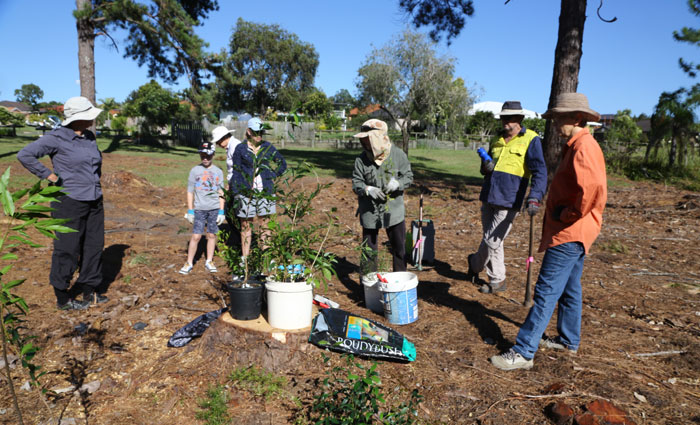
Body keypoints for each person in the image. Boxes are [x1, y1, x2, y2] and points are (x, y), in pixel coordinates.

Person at [490, 93, 607, 371]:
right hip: (575, 230)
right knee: (569, 287)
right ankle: (569, 340)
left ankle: (523, 351)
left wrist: (566, 214)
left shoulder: (584, 148)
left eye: (559, 118)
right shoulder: (577, 144)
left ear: (577, 118)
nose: (555, 124)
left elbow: (591, 191)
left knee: (545, 291)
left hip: (570, 231)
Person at [17, 96, 107, 310]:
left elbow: (95, 164)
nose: (91, 120)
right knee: (67, 248)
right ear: (75, 118)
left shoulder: (89, 137)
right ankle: (62, 297)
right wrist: (50, 176)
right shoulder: (56, 138)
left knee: (93, 246)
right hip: (68, 200)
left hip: (94, 198)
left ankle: (88, 290)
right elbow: (25, 155)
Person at [466, 101, 547, 294]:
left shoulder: (531, 139)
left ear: (519, 119)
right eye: (502, 117)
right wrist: (485, 168)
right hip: (489, 197)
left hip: (509, 200)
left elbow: (540, 171)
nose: (504, 121)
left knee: (491, 241)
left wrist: (534, 197)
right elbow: (485, 169)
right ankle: (498, 280)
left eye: (508, 118)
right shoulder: (496, 140)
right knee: (495, 241)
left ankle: (475, 264)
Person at [352, 119, 413, 272]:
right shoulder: (361, 160)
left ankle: (399, 283)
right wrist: (367, 189)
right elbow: (356, 183)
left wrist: (398, 183)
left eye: (367, 139)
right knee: (369, 251)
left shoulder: (398, 155)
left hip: (394, 211)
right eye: (362, 140)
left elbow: (408, 176)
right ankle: (368, 285)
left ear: (378, 138)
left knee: (399, 249)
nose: (364, 143)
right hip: (370, 212)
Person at [229, 117, 287, 261]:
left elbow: (282, 163)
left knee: (265, 225)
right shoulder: (241, 149)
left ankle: (266, 257)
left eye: (261, 131)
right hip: (245, 193)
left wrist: (272, 175)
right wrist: (236, 192)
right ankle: (245, 259)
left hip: (265, 193)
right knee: (246, 225)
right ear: (248, 132)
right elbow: (236, 171)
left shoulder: (268, 147)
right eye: (256, 132)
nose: (259, 134)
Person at [179, 141, 225, 275]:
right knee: (196, 236)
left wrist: (221, 211)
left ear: (213, 155)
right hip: (199, 209)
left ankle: (209, 260)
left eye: (208, 155)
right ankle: (189, 262)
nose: (205, 158)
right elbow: (190, 191)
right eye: (202, 155)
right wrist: (190, 210)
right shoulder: (195, 171)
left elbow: (221, 192)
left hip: (214, 209)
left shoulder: (218, 172)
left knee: (211, 235)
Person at [211, 125, 242, 231]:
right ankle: (238, 237)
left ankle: (240, 238)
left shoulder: (235, 146)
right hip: (233, 183)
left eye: (218, 142)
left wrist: (230, 185)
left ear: (224, 138)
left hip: (238, 185)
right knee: (229, 212)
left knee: (233, 212)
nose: (218, 145)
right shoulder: (230, 147)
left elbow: (238, 168)